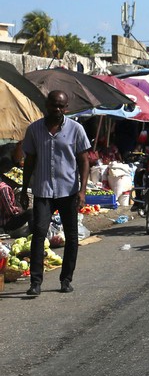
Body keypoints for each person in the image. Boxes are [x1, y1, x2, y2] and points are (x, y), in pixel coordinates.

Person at [19, 90, 91, 296]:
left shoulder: (76, 129)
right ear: (46, 105)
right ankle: (35, 282)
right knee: (39, 234)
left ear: (66, 107)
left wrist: (83, 190)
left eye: (61, 106)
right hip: (43, 191)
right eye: (54, 105)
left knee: (71, 236)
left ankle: (66, 279)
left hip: (68, 191)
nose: (57, 110)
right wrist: (24, 189)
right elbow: (30, 161)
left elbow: (84, 160)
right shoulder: (34, 130)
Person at [0, 144, 29, 233]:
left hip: (7, 220)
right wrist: (22, 211)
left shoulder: (5, 187)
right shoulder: (4, 189)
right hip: (5, 223)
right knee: (31, 213)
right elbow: (10, 211)